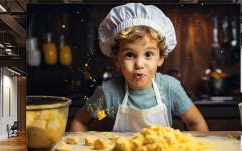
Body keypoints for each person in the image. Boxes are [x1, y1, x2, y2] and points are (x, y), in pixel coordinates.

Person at [70, 3, 208, 132]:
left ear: (161, 58)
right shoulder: (107, 93)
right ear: (116, 59)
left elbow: (196, 123)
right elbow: (80, 122)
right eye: (130, 55)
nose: (139, 64)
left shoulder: (170, 88)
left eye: (148, 54)